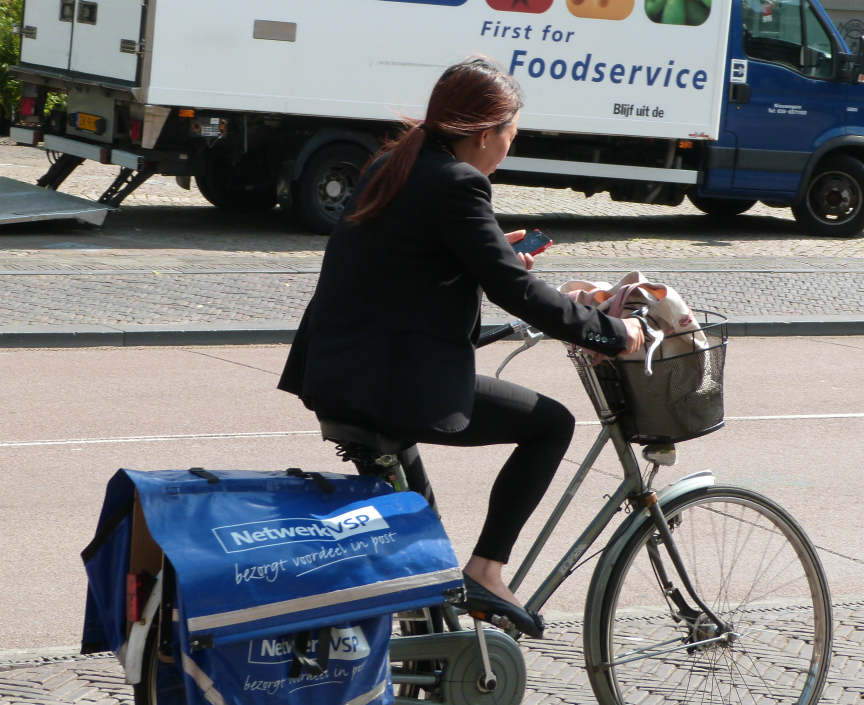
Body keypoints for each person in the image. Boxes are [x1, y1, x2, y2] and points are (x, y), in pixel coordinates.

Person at [279, 57, 644, 639]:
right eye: (509, 138)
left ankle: (433, 636)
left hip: (341, 374)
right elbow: (517, 290)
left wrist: (492, 252)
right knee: (551, 424)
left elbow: (409, 261)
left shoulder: (394, 165)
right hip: (390, 384)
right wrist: (613, 333)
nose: (507, 152)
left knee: (425, 564)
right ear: (483, 133)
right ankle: (488, 570)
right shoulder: (458, 183)